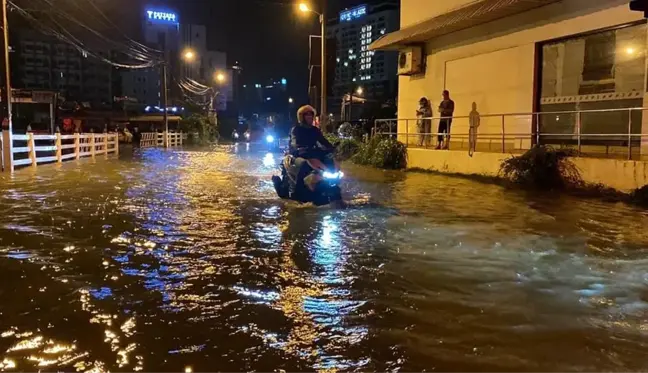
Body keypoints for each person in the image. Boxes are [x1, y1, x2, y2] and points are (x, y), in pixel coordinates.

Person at [288, 105, 334, 195]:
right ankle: (297, 191)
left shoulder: (315, 130)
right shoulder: (296, 129)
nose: (309, 116)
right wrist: (298, 148)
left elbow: (323, 141)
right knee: (303, 164)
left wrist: (332, 147)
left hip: (312, 154)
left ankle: (332, 185)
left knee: (329, 159)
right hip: (299, 154)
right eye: (306, 114)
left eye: (311, 114)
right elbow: (294, 142)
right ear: (302, 116)